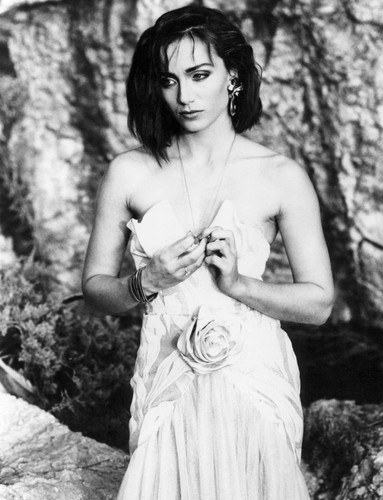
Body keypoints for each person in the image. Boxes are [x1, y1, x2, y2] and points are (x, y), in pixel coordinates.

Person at [82, 5, 334, 499]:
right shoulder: (129, 172)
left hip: (253, 386)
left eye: (199, 75)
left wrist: (238, 285)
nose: (184, 95)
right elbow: (94, 292)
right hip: (165, 385)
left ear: (233, 76)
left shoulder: (280, 176)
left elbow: (320, 304)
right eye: (169, 80)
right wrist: (146, 281)